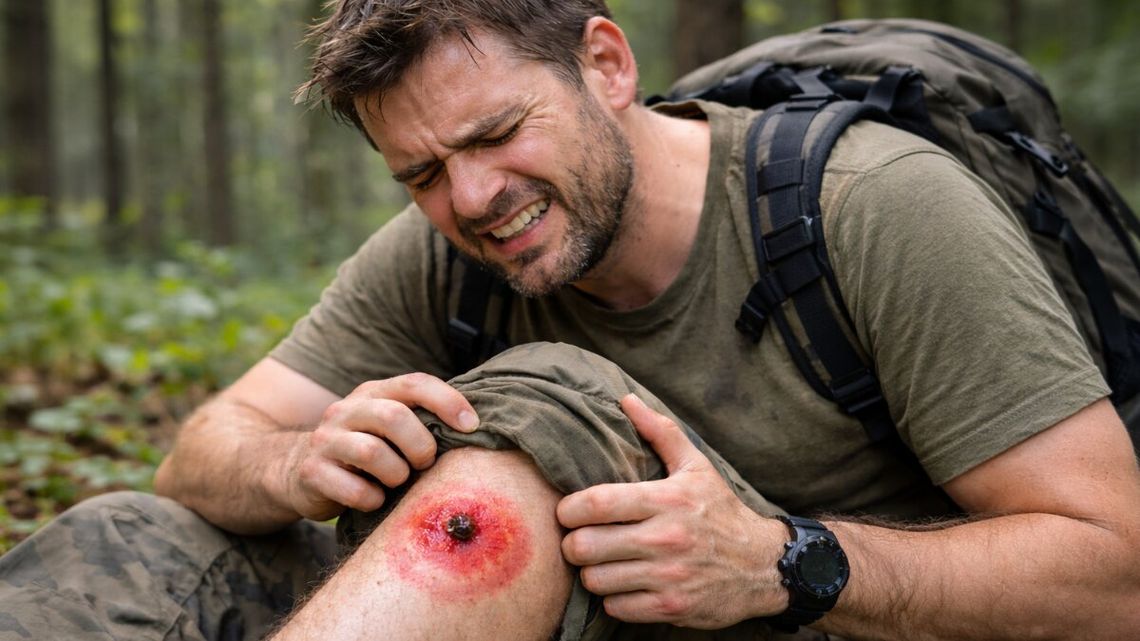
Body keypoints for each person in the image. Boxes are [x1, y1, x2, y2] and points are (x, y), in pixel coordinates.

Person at [3, 1, 1139, 639]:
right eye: (423, 172)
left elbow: (1115, 571)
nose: (474, 197)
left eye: (499, 131)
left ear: (604, 64)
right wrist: (299, 455)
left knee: (547, 413)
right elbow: (197, 452)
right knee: (134, 537)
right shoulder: (446, 248)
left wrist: (794, 560)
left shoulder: (874, 206)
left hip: (829, 616)